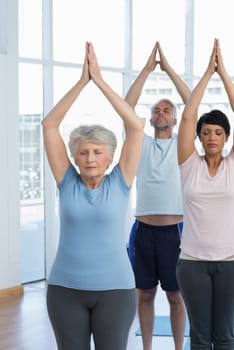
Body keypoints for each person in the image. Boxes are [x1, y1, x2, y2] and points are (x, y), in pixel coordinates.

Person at [43, 42, 144, 350]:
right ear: (74, 157)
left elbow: (136, 128)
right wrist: (81, 83)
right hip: (64, 290)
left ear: (110, 157)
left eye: (97, 152)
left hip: (116, 291)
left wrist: (99, 81)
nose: (89, 158)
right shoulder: (66, 181)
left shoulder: (120, 181)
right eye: (83, 152)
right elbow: (49, 125)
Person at [176, 38, 234, 350]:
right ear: (199, 138)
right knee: (200, 335)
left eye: (218, 132)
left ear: (226, 137)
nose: (211, 137)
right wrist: (207, 74)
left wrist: (225, 75)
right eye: (206, 133)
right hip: (192, 262)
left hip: (232, 262)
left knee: (225, 335)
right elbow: (187, 117)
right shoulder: (188, 164)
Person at [125, 41, 190, 350]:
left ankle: (179, 347)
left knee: (177, 296)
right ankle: (147, 346)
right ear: (150, 119)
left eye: (166, 110)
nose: (160, 112)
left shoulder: (182, 145)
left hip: (175, 232)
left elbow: (191, 103)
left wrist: (169, 69)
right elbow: (127, 106)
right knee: (144, 295)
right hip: (143, 232)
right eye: (156, 110)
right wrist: (148, 70)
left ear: (175, 120)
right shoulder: (141, 144)